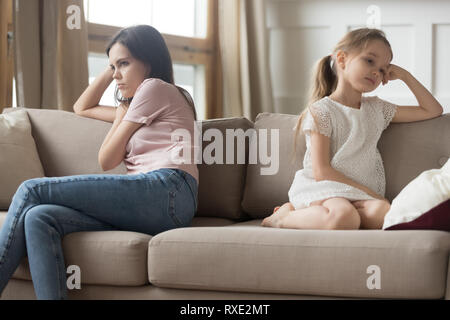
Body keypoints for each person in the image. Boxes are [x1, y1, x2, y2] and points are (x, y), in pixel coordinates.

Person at [0, 25, 199, 299]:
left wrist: (120, 114)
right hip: (153, 205)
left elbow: (107, 159)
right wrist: (114, 68)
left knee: (31, 190)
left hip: (167, 189)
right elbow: (81, 107)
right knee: (39, 217)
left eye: (125, 63)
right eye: (112, 66)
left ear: (149, 61)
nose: (116, 75)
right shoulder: (132, 106)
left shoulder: (154, 88)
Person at [261, 28, 443, 231]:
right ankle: (282, 217)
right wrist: (368, 192)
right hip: (326, 188)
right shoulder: (322, 111)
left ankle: (310, 213)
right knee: (344, 217)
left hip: (358, 194)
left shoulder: (377, 109)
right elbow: (322, 171)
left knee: (382, 213)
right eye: (370, 61)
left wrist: (405, 75)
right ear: (342, 59)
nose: (377, 71)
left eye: (383, 69)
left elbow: (432, 110)